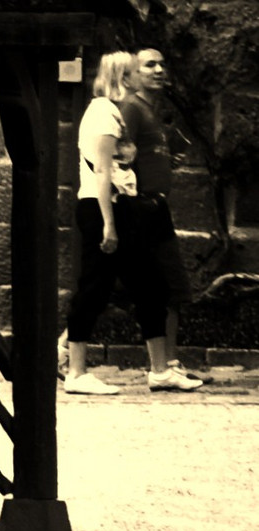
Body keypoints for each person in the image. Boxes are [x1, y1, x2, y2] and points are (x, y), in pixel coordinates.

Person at [62, 51, 200, 396]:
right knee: (94, 288)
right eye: (136, 72)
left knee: (151, 286)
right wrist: (110, 225)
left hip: (120, 207)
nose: (144, 77)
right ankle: (75, 370)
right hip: (102, 208)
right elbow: (102, 172)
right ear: (123, 78)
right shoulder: (104, 113)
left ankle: (159, 370)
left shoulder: (117, 113)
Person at [123, 47, 206, 387]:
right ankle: (67, 347)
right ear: (133, 73)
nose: (159, 69)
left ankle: (169, 363)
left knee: (173, 287)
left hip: (158, 208)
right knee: (123, 286)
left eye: (161, 63)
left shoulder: (152, 111)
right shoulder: (131, 108)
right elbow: (114, 155)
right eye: (149, 65)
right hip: (140, 208)